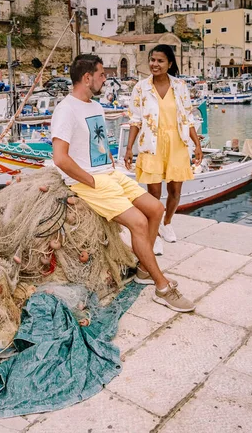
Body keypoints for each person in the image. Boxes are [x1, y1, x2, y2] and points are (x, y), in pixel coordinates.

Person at [51, 53, 195, 313]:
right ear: (87, 78)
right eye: (101, 74)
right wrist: (90, 180)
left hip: (109, 173)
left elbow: (96, 141)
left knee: (156, 209)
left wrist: (108, 160)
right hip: (89, 181)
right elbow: (60, 158)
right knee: (138, 222)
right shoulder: (65, 110)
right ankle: (162, 287)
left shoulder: (94, 106)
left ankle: (142, 269)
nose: (105, 79)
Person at [125, 44, 203, 255]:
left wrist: (197, 145)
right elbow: (135, 120)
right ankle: (155, 235)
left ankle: (166, 223)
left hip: (177, 143)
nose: (155, 64)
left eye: (160, 61)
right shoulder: (140, 88)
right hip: (152, 144)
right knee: (153, 193)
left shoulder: (180, 86)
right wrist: (129, 148)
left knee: (175, 191)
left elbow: (188, 118)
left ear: (169, 63)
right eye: (152, 60)